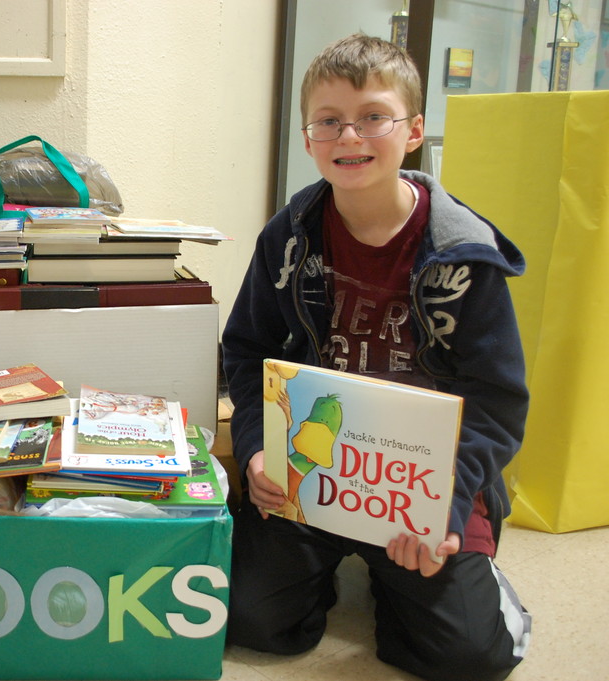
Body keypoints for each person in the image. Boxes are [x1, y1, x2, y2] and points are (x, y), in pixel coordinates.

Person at [222, 33, 531, 681]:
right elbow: (247, 349)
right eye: (328, 121)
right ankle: (339, 567)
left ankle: (421, 584)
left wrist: (446, 507)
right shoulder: (288, 237)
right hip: (316, 472)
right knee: (252, 620)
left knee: (471, 655)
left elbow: (498, 404)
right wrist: (254, 448)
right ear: (308, 137)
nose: (349, 136)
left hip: (427, 487)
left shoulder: (465, 255)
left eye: (373, 117)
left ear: (414, 130)